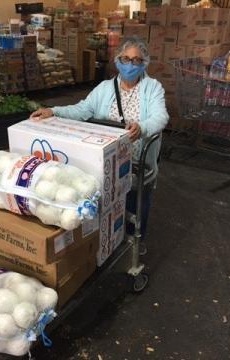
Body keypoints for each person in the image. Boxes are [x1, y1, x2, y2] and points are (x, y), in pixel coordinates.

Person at [30, 37, 169, 243]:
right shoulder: (105, 88)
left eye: (137, 60)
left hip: (137, 160)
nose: (130, 65)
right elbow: (83, 109)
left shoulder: (152, 88)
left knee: (136, 203)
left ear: (144, 63)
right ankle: (108, 240)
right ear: (117, 60)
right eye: (125, 58)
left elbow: (160, 116)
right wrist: (54, 110)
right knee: (106, 203)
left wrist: (142, 128)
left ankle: (135, 242)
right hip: (106, 156)